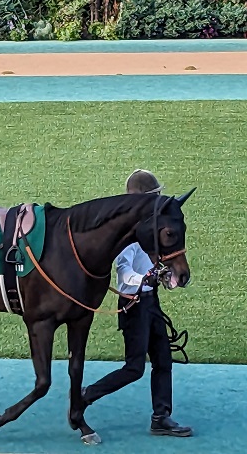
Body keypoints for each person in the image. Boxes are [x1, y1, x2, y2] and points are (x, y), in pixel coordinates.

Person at [80, 169, 193, 437]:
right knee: (134, 368)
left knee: (163, 360)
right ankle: (85, 395)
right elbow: (124, 274)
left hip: (150, 303)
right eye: (155, 196)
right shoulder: (127, 237)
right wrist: (146, 278)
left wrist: (165, 275)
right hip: (133, 306)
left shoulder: (151, 230)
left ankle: (161, 417)